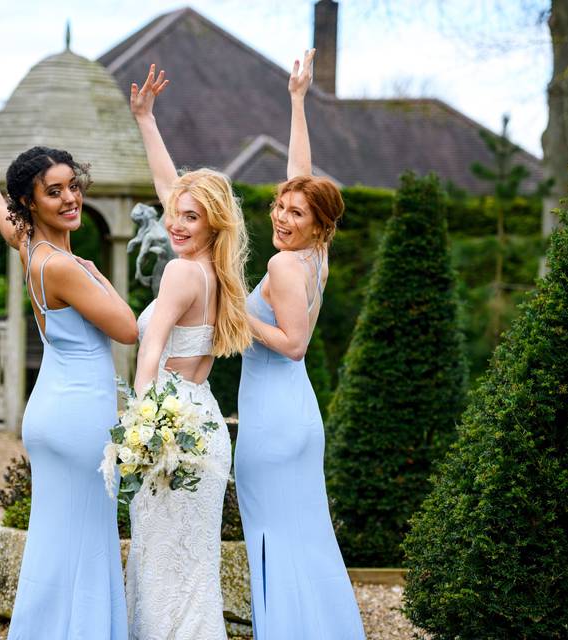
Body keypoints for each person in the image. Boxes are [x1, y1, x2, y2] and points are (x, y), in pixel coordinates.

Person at [0, 129, 137, 640]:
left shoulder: (28, 249)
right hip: (79, 415)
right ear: (31, 201)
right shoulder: (64, 266)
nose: (70, 198)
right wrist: (98, 276)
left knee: (56, 539)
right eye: (54, 191)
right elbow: (127, 328)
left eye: (72, 186)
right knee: (86, 538)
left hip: (52, 412)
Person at [233, 50, 367, 639]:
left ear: (319, 225)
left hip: (275, 415)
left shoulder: (285, 265)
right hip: (292, 412)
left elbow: (292, 345)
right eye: (280, 207)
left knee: (275, 535)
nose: (283, 217)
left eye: (296, 213)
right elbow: (303, 172)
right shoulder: (314, 256)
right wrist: (297, 100)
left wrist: (235, 308)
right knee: (303, 534)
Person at [125, 65, 252, 640]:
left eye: (189, 217)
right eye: (174, 214)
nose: (174, 223)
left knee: (161, 561)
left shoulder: (181, 273)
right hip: (202, 418)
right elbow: (170, 189)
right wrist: (147, 121)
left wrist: (141, 425)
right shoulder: (218, 274)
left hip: (172, 425)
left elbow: (149, 352)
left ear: (212, 224)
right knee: (190, 567)